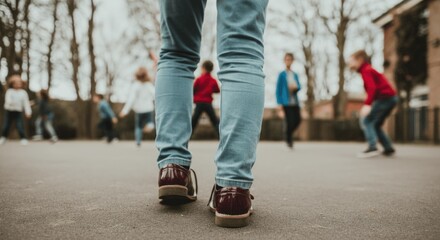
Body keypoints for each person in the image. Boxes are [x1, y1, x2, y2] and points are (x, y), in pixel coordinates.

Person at [155, 0, 268, 228]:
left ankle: (172, 168)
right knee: (242, 52)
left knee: (176, 54)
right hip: (205, 102)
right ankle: (233, 186)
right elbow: (215, 88)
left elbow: (199, 87)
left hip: (200, 102)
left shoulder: (202, 79)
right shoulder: (209, 79)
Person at [348, 50, 398, 158]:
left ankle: (372, 147)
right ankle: (388, 147)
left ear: (360, 60)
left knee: (367, 120)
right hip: (390, 98)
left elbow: (372, 88)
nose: (349, 63)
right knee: (376, 124)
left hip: (385, 98)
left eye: (351, 61)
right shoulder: (367, 70)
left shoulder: (366, 70)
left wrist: (367, 104)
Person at [119, 65, 156, 147]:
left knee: (138, 126)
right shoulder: (149, 85)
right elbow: (155, 95)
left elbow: (131, 99)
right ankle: (150, 125)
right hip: (148, 108)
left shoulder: (135, 85)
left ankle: (138, 141)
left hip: (139, 109)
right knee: (150, 122)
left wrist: (124, 111)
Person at [275, 53, 302, 149]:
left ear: (292, 61)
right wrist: (279, 103)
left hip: (295, 102)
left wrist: (295, 88)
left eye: (290, 59)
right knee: (290, 121)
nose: (288, 61)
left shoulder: (295, 74)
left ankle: (287, 134)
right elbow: (278, 89)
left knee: (298, 120)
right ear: (284, 60)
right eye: (287, 59)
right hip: (286, 102)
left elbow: (299, 86)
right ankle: (289, 140)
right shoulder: (282, 75)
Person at [0, 75, 32, 146]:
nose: (18, 84)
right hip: (9, 111)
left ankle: (23, 138)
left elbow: (26, 103)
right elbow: (8, 101)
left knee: (20, 125)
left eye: (19, 83)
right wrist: (13, 103)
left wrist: (28, 112)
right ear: (12, 84)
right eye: (16, 83)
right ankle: (3, 137)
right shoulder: (9, 91)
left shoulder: (23, 93)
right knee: (6, 125)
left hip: (18, 111)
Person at [191, 60, 220, 137]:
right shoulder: (213, 80)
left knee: (194, 121)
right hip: (208, 103)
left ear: (203, 68)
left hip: (199, 103)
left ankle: (187, 136)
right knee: (215, 121)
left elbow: (193, 90)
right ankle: (221, 136)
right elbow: (217, 90)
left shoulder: (199, 79)